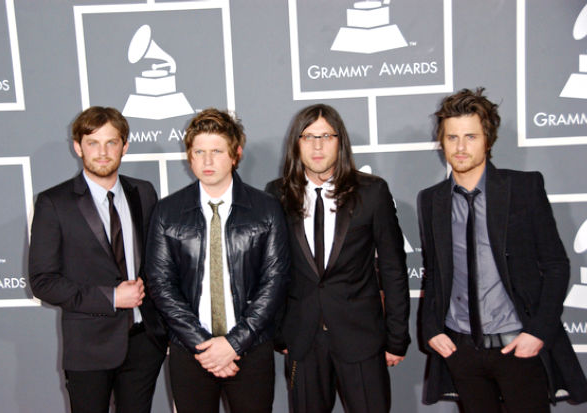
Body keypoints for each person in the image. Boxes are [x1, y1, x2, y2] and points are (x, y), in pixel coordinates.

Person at [417, 87, 587, 412]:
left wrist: (538, 332)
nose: (461, 147)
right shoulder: (432, 200)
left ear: (488, 140)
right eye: (452, 137)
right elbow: (435, 272)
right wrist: (431, 329)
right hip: (461, 350)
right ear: (442, 142)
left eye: (471, 136)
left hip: (517, 346)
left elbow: (555, 264)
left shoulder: (523, 188)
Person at [266, 103, 410, 413]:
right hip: (302, 342)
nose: (317, 146)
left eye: (326, 136)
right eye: (308, 137)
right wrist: (280, 332)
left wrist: (396, 337)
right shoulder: (276, 194)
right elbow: (273, 272)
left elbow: (393, 269)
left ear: (339, 142)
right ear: (296, 143)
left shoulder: (372, 192)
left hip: (362, 339)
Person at [145, 108, 290, 413]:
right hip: (191, 350)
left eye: (216, 151)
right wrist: (204, 345)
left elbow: (274, 282)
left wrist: (234, 343)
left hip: (251, 350)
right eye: (199, 151)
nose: (207, 161)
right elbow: (161, 284)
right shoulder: (167, 212)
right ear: (189, 156)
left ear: (236, 154)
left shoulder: (266, 209)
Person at [29, 106, 167, 413]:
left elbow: (156, 263)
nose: (102, 152)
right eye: (93, 142)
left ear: (125, 146)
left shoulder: (143, 192)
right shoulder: (54, 203)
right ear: (78, 147)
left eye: (111, 142)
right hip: (88, 347)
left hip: (144, 342)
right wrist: (111, 297)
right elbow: (43, 282)